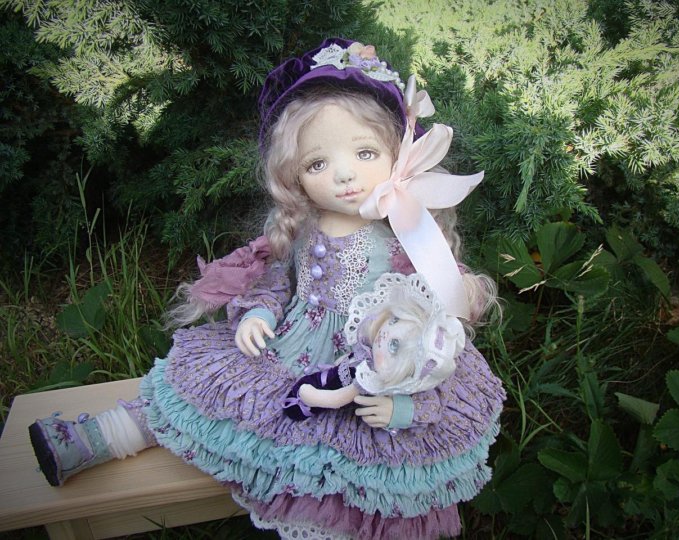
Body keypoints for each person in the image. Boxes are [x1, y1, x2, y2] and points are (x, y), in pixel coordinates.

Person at [28, 38, 506, 540]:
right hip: (291, 344)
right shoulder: (303, 228)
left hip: (375, 360)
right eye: (317, 164)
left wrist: (407, 391)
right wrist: (259, 313)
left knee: (379, 462)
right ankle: (94, 439)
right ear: (293, 176)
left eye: (365, 153)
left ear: (399, 155)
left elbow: (433, 322)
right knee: (196, 390)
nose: (345, 174)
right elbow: (277, 280)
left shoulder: (404, 237)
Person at [282, 272, 465, 422]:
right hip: (300, 341)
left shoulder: (371, 376)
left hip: (321, 397)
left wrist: (404, 410)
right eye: (394, 320)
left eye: (394, 345)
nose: (385, 333)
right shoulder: (367, 347)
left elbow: (338, 399)